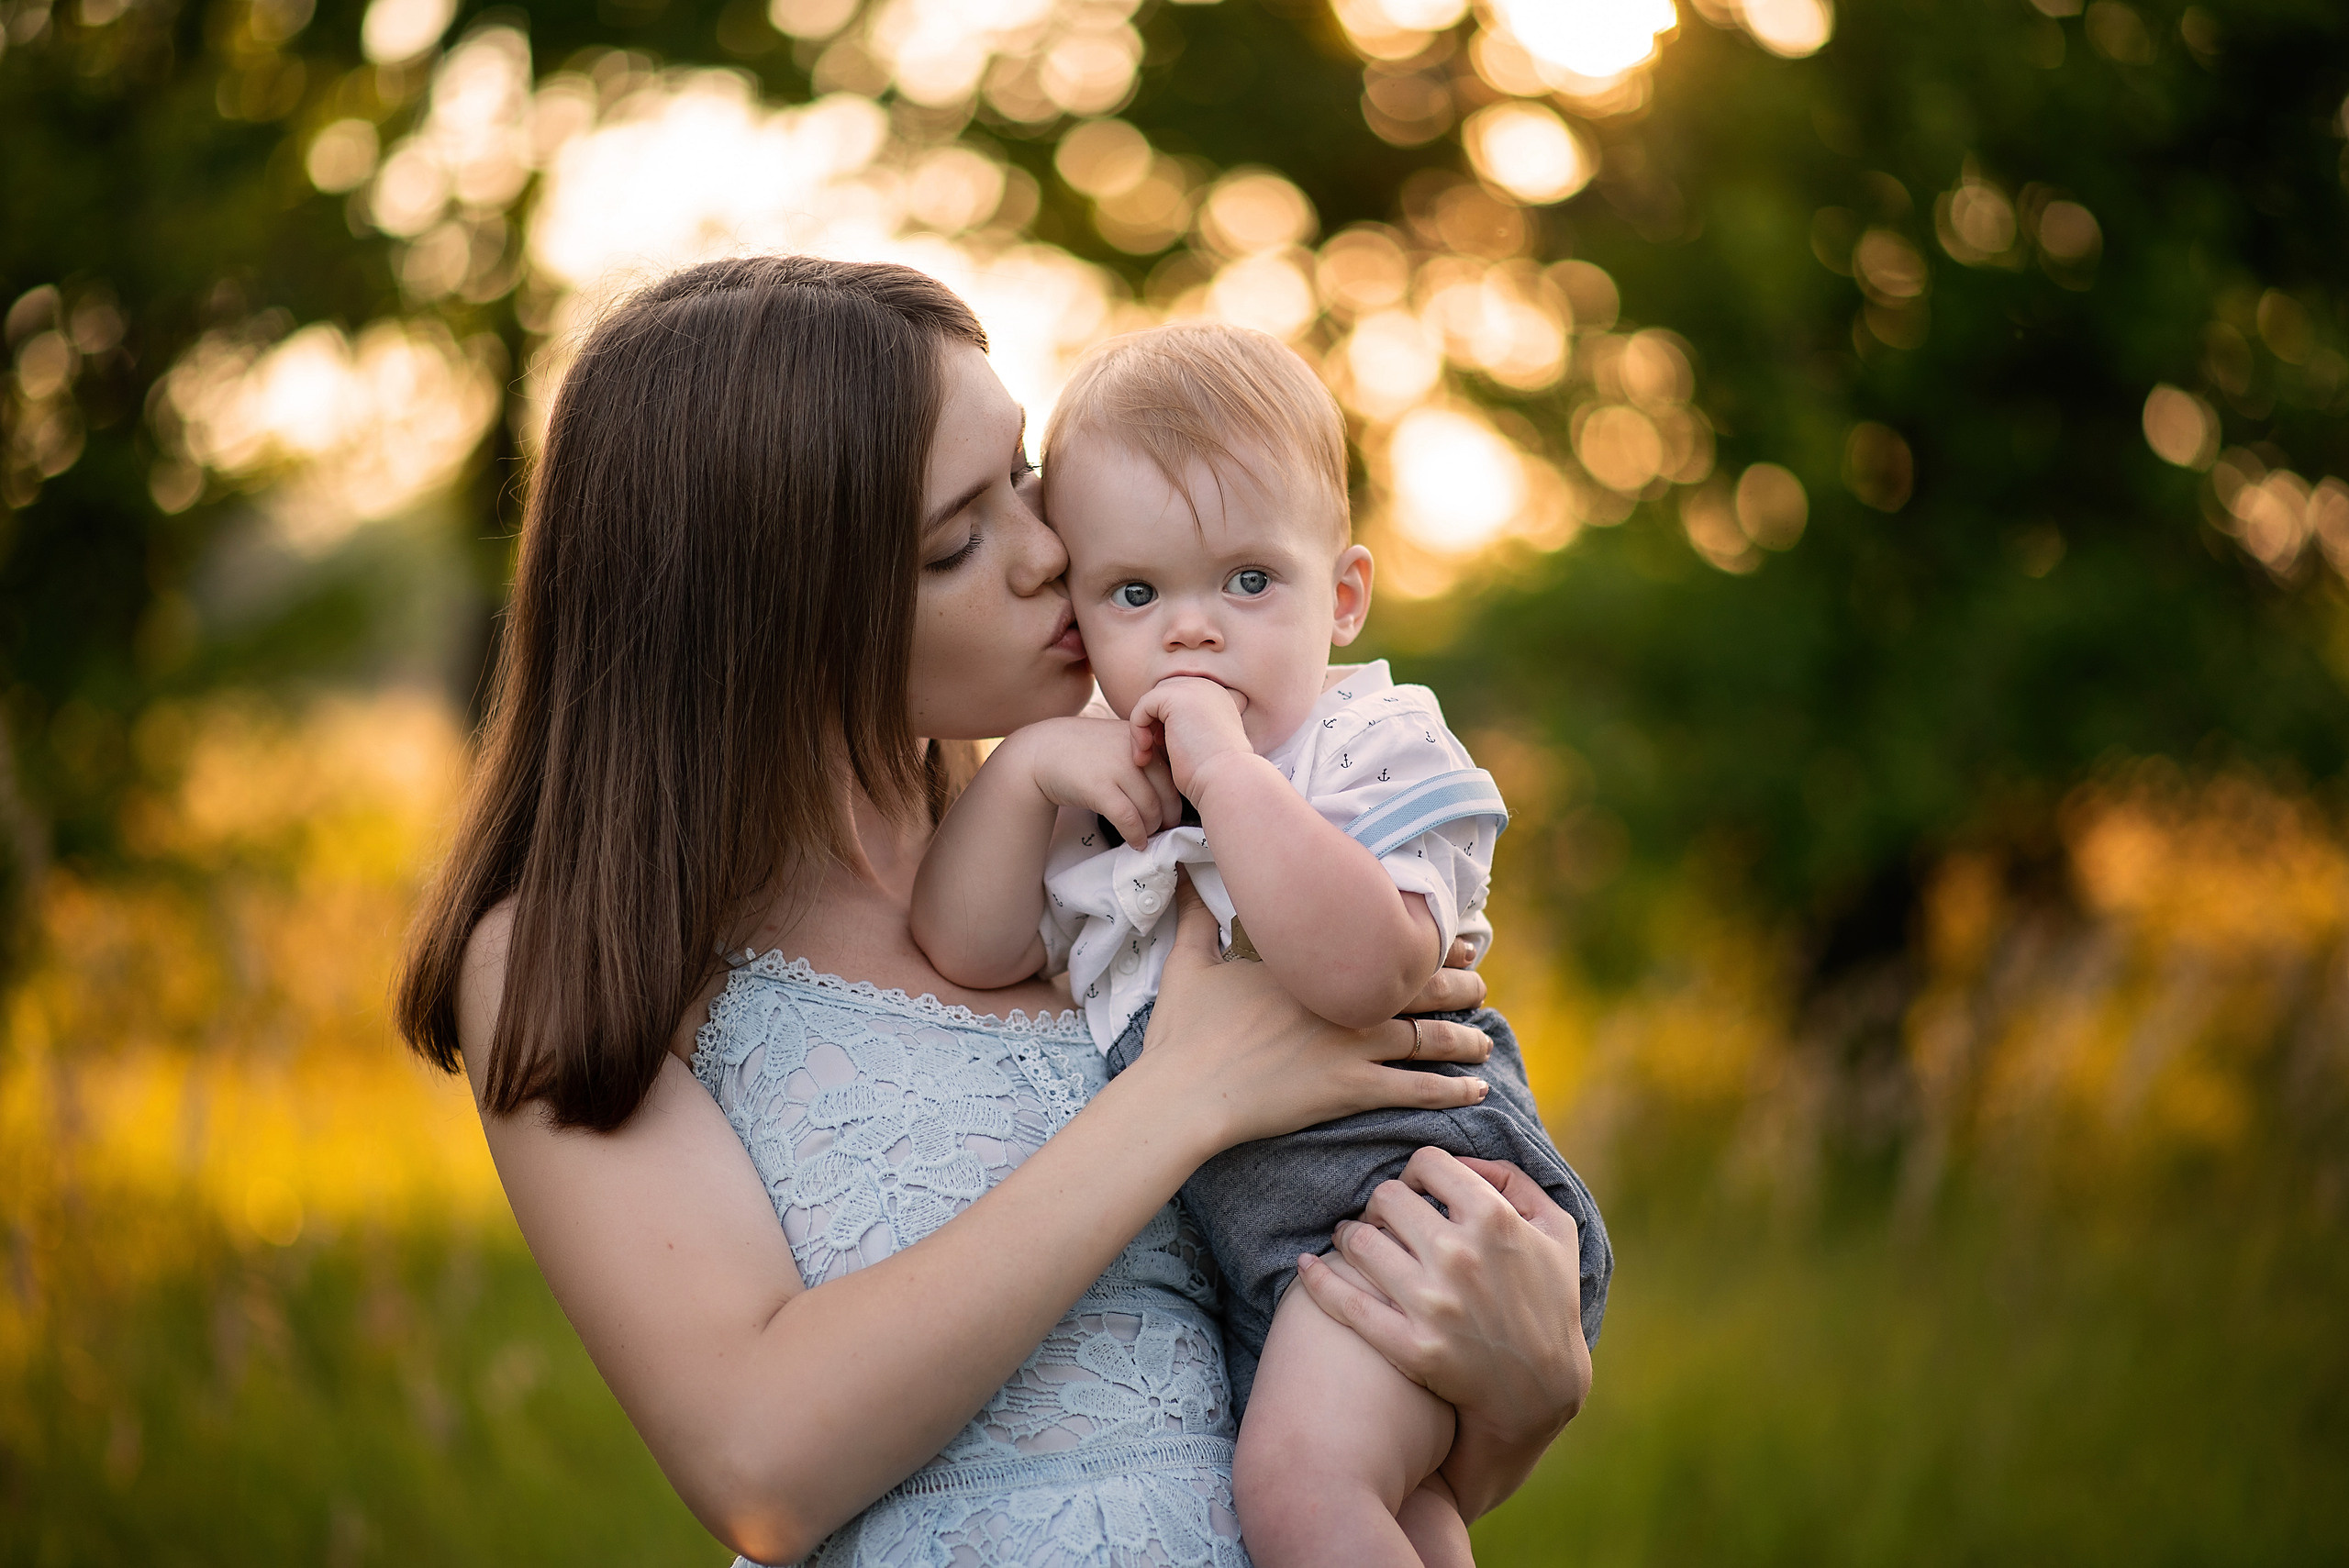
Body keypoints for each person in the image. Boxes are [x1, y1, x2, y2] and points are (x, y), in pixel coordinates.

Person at [395, 255, 1596, 1567]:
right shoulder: (578, 953)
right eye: (957, 541)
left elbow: (1302, 1389)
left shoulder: (1121, 837)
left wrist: (1522, 1393)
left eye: (1023, 475)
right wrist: (1184, 1096)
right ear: (775, 612)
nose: (1050, 551)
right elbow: (760, 1466)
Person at [908, 323, 1609, 1567]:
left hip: (1407, 1196)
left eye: (1248, 581)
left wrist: (1230, 774)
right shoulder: (1101, 782)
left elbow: (1363, 975)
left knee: (1298, 1491)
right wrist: (1022, 774)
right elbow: (965, 949)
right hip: (1262, 1251)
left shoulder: (1371, 748)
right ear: (1081, 617)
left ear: (1341, 595)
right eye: (1136, 594)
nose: (1193, 632)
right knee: (1400, 1514)